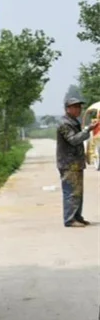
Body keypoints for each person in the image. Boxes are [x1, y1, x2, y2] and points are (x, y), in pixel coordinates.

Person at [56, 94, 99, 228]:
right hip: (68, 163)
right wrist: (88, 129)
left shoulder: (73, 122)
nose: (78, 109)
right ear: (67, 109)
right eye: (75, 107)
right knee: (71, 192)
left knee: (78, 192)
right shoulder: (64, 124)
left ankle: (77, 216)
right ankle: (69, 219)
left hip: (75, 162)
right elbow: (74, 140)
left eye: (79, 107)